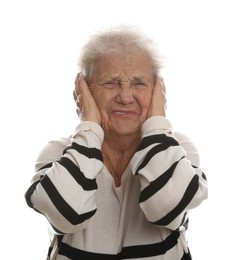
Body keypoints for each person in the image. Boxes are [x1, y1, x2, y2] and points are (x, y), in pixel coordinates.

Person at [25, 25, 208, 260]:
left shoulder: (177, 148)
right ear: (84, 92)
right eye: (110, 83)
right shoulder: (60, 152)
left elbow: (166, 209)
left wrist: (156, 122)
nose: (124, 96)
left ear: (157, 92)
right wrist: (89, 126)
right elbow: (67, 215)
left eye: (139, 83)